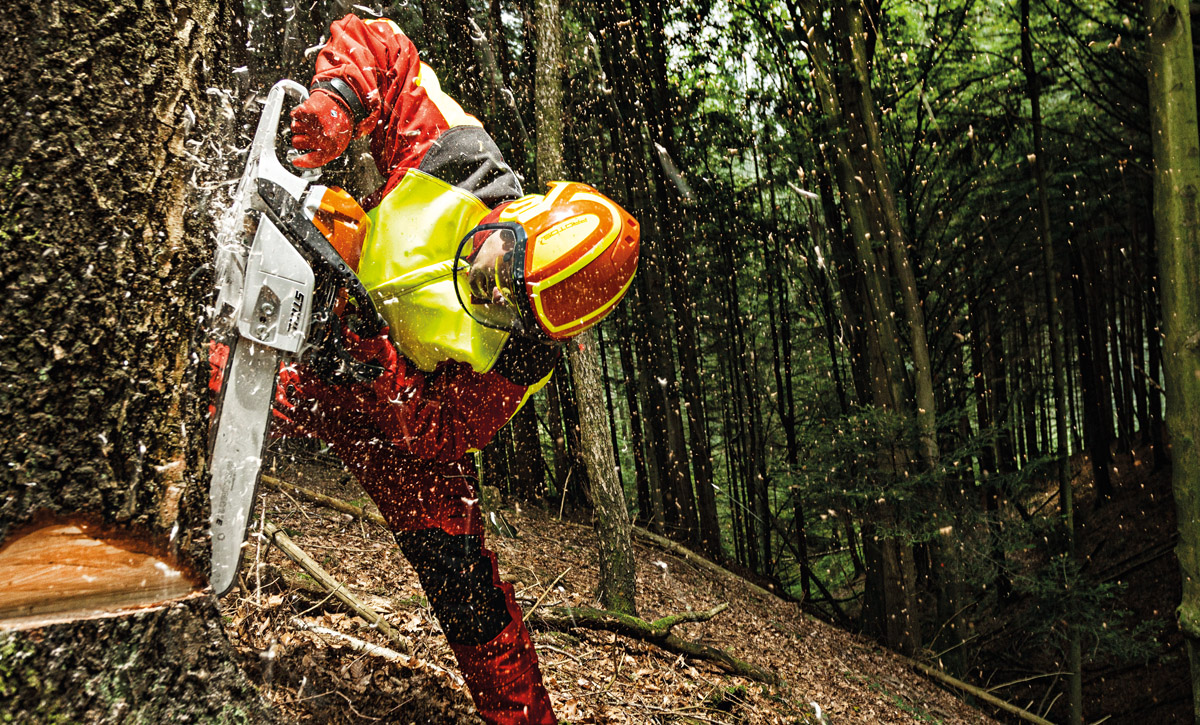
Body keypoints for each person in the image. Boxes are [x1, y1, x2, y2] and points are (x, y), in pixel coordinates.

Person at [264, 13, 638, 725]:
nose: (484, 289)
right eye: (500, 265)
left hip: (395, 415)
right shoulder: (459, 155)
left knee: (464, 583)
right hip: (324, 336)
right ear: (523, 214)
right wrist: (341, 97)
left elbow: (438, 431)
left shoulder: (523, 356)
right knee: (206, 390)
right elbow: (383, 43)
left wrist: (376, 361)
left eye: (507, 304)